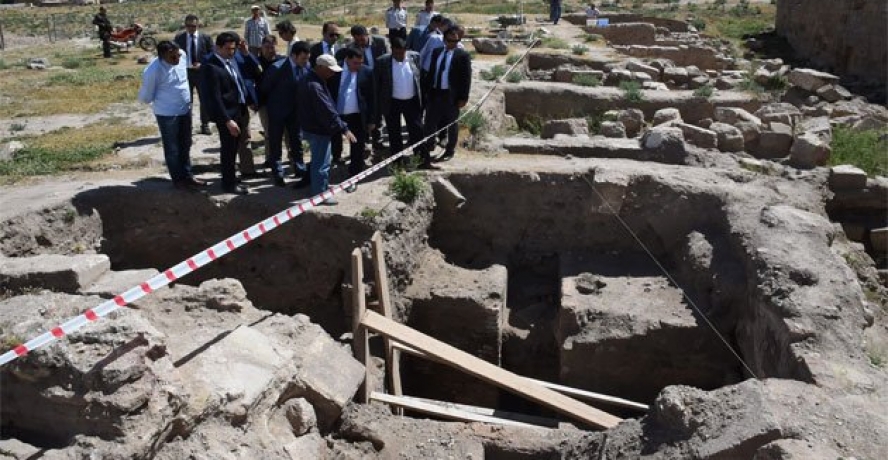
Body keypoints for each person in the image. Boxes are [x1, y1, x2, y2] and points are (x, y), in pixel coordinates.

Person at [138, 41, 206, 191]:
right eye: (172, 57)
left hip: (185, 109)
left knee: (186, 143)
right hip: (167, 114)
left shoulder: (182, 56)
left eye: (178, 55)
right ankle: (178, 179)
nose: (177, 58)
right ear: (162, 56)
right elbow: (146, 97)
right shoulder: (153, 71)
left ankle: (188, 175)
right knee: (172, 148)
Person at [297, 54, 357, 205]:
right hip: (318, 129)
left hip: (312, 127)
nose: (332, 73)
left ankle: (319, 187)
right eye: (330, 70)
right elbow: (327, 110)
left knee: (318, 160)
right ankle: (320, 194)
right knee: (321, 163)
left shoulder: (311, 79)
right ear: (320, 67)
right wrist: (344, 128)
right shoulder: (315, 86)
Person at [201, 32, 255, 195]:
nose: (231, 52)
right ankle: (228, 184)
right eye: (228, 49)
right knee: (229, 150)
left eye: (234, 48)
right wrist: (227, 120)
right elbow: (214, 98)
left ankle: (230, 177)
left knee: (235, 147)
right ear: (217, 47)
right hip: (227, 115)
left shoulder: (230, 61)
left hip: (239, 109)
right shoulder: (211, 67)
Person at [261, 40, 311, 187]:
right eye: (303, 58)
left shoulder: (305, 67)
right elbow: (264, 88)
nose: (305, 61)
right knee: (275, 142)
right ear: (294, 56)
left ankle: (299, 168)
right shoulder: (277, 69)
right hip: (277, 112)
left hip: (295, 112)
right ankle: (277, 172)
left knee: (296, 140)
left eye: (307, 58)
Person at [420, 25, 471, 167]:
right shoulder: (436, 52)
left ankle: (450, 149)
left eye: (456, 41)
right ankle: (428, 146)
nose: (453, 44)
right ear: (444, 40)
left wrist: (463, 98)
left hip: (451, 95)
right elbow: (431, 73)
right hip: (435, 92)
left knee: (452, 123)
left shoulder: (462, 55)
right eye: (450, 40)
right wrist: (426, 91)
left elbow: (466, 78)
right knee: (430, 122)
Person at [329, 47, 375, 189]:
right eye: (355, 63)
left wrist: (372, 120)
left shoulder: (366, 72)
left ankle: (353, 176)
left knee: (357, 146)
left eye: (360, 63)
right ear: (347, 59)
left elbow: (372, 97)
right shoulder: (334, 71)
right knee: (331, 143)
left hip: (357, 116)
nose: (358, 66)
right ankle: (330, 169)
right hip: (336, 115)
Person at [374, 36, 424, 164]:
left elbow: (420, 79)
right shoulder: (382, 62)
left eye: (401, 53)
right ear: (391, 50)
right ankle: (397, 161)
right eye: (395, 53)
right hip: (392, 103)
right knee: (394, 133)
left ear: (406, 50)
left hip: (412, 102)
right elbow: (377, 85)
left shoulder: (415, 57)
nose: (398, 56)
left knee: (417, 131)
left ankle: (421, 159)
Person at [174, 14, 214, 135]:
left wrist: (202, 64)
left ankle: (205, 124)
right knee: (186, 100)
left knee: (204, 99)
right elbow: (173, 54)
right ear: (185, 26)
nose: (191, 28)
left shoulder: (205, 38)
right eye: (188, 26)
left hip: (201, 72)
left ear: (198, 25)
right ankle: (187, 125)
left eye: (194, 25)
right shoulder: (179, 38)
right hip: (185, 73)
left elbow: (212, 54)